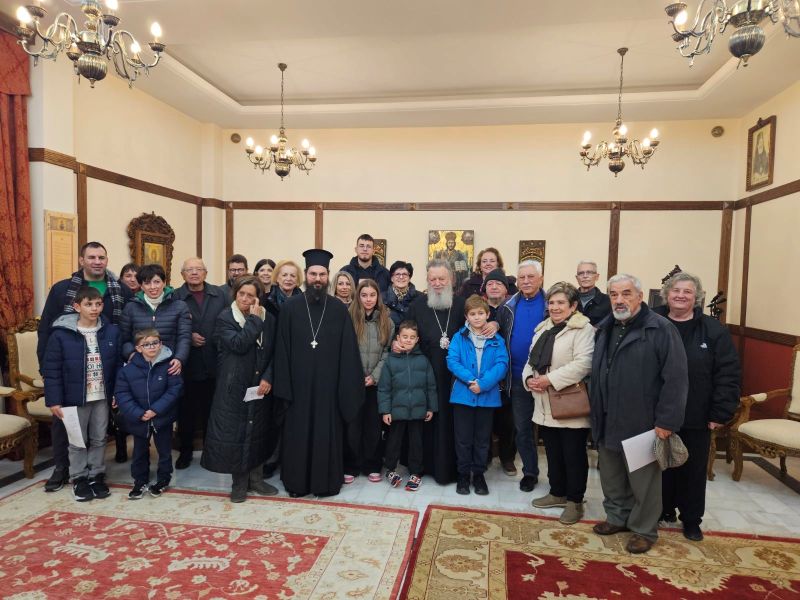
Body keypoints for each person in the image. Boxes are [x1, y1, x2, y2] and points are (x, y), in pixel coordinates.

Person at [590, 274, 688, 554]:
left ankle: (644, 530)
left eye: (626, 293)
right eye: (614, 295)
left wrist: (666, 421)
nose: (619, 300)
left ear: (640, 296)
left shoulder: (660, 328)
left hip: (642, 421)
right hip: (607, 416)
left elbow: (676, 379)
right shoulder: (605, 327)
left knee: (644, 482)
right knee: (611, 476)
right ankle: (617, 517)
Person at [38, 241, 132, 493]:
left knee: (100, 433)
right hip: (69, 372)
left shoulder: (120, 290)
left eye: (101, 257)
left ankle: (96, 473)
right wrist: (46, 370)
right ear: (81, 260)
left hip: (103, 371)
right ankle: (64, 469)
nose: (97, 262)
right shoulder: (62, 289)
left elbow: (127, 329)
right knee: (67, 429)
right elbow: (46, 330)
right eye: (91, 257)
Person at [654, 272, 740, 542]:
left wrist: (720, 412)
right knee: (659, 466)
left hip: (696, 413)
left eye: (687, 292)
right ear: (666, 294)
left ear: (697, 297)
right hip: (656, 413)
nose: (680, 295)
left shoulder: (713, 330)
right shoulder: (651, 322)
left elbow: (728, 373)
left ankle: (691, 519)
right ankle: (662, 510)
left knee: (692, 470)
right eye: (675, 290)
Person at [273, 249, 365, 497]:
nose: (317, 279)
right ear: (306, 275)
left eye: (322, 274)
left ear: (328, 276)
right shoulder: (290, 308)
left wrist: (345, 387)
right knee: (298, 434)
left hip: (328, 391)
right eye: (313, 274)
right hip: (298, 390)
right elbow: (281, 351)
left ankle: (325, 483)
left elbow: (348, 353)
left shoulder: (338, 310)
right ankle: (297, 483)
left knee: (326, 434)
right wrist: (285, 388)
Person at [201, 275, 279, 502]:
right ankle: (239, 484)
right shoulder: (226, 318)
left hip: (260, 385)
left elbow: (274, 352)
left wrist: (268, 377)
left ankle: (256, 480)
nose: (245, 299)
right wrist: (254, 320)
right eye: (241, 294)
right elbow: (239, 344)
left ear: (258, 298)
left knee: (258, 433)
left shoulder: (269, 319)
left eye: (250, 295)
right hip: (233, 387)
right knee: (238, 435)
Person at [41, 287, 121, 502]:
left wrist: (117, 392)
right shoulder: (61, 334)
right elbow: (52, 370)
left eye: (98, 304)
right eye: (88, 304)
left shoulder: (111, 332)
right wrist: (54, 400)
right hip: (74, 397)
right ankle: (79, 478)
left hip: (101, 396)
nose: (94, 309)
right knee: (77, 440)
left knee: (99, 437)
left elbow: (118, 366)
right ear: (77, 307)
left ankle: (96, 475)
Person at [523, 282, 594, 524]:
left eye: (561, 303)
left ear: (573, 306)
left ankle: (575, 501)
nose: (555, 307)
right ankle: (557, 492)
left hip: (570, 403)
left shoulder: (583, 329)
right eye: (551, 302)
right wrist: (529, 379)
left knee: (573, 455)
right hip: (544, 402)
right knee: (552, 452)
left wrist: (549, 380)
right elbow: (531, 360)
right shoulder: (543, 328)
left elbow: (584, 364)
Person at [403, 259, 467, 484]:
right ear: (427, 280)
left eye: (442, 279)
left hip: (455, 378)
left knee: (450, 423)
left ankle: (450, 468)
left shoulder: (462, 306)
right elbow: (407, 336)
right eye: (433, 279)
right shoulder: (417, 306)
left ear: (451, 279)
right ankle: (421, 465)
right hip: (425, 375)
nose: (437, 283)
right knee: (425, 422)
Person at [447, 295, 509, 496]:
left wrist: (483, 384)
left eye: (480, 313)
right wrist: (471, 380)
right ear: (466, 316)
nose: (477, 317)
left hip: (487, 396)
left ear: (488, 314)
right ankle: (463, 475)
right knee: (463, 439)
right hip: (463, 396)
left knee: (482, 439)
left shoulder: (497, 340)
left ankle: (479, 474)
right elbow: (452, 361)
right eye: (472, 314)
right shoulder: (459, 337)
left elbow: (502, 364)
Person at [495, 260, 547, 492]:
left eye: (531, 277)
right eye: (522, 277)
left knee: (551, 431)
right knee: (522, 428)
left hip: (547, 378)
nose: (525, 281)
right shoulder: (507, 306)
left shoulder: (552, 304)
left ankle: (558, 477)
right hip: (517, 378)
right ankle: (530, 472)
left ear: (541, 279)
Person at [172, 257, 228, 469]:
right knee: (186, 413)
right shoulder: (175, 296)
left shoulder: (220, 295)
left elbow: (228, 321)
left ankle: (211, 452)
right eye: (189, 270)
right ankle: (185, 452)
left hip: (215, 362)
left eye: (198, 269)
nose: (194, 273)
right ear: (182, 274)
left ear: (205, 273)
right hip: (187, 364)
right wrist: (188, 337)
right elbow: (169, 327)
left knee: (211, 412)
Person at [115, 328, 183, 499]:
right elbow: (122, 394)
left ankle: (163, 479)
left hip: (162, 418)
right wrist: (139, 413)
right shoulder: (127, 371)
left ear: (161, 344)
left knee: (164, 451)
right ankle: (140, 480)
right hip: (139, 419)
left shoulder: (170, 366)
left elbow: (174, 390)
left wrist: (155, 410)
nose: (152, 347)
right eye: (146, 344)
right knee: (139, 451)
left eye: (155, 343)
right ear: (138, 348)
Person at [344, 279, 395, 483]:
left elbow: (388, 352)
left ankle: (372, 464)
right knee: (352, 426)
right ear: (358, 297)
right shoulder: (348, 319)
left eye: (372, 295)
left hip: (375, 383)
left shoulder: (387, 321)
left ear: (377, 297)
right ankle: (351, 465)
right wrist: (356, 376)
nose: (368, 299)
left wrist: (374, 377)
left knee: (373, 426)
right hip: (353, 382)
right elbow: (345, 351)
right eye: (364, 295)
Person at [379, 321, 437, 491]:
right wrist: (385, 410)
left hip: (418, 411)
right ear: (398, 338)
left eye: (412, 337)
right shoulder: (390, 361)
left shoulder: (423, 360)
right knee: (394, 442)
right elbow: (384, 388)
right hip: (396, 411)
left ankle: (416, 472)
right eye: (405, 336)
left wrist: (431, 407)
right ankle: (390, 469)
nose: (408, 340)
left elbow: (431, 386)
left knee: (416, 443)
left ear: (417, 339)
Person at [119, 264, 191, 377]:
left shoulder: (179, 306)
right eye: (147, 283)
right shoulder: (131, 307)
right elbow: (124, 338)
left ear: (164, 282)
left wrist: (179, 358)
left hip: (170, 366)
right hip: (139, 366)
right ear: (141, 286)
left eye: (157, 282)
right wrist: (131, 354)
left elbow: (184, 337)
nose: (153, 287)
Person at [482, 268, 517, 475]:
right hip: (484, 374)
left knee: (508, 421)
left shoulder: (513, 308)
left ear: (506, 288)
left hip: (508, 373)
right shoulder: (479, 308)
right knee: (485, 419)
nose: (494, 287)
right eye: (490, 284)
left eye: (498, 284)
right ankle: (485, 456)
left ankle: (507, 458)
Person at [382, 260, 420, 327]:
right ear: (392, 278)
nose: (401, 277)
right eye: (397, 274)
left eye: (405, 274)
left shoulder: (420, 298)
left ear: (409, 278)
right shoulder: (381, 298)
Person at [574, 260, 611, 326]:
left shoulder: (608, 301)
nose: (585, 276)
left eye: (589, 273)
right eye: (581, 273)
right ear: (577, 278)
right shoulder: (570, 299)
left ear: (597, 277)